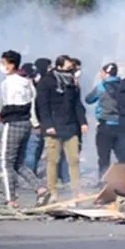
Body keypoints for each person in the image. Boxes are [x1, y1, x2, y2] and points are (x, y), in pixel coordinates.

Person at [0, 50, 45, 207]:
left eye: (4, 63)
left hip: (13, 123)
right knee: (19, 163)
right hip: (26, 123)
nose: (2, 66)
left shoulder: (9, 83)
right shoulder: (26, 81)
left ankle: (11, 199)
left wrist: (0, 116)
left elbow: (11, 106)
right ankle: (41, 188)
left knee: (6, 162)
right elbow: (31, 102)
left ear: (11, 65)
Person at [36, 54, 88, 201]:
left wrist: (83, 122)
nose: (71, 71)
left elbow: (77, 104)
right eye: (68, 68)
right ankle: (53, 192)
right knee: (53, 161)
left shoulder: (72, 83)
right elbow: (42, 106)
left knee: (74, 160)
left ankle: (76, 192)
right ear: (58, 67)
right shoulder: (46, 82)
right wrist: (48, 125)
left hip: (71, 127)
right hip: (53, 128)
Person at [84, 63, 123, 179]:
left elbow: (88, 99)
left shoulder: (100, 87)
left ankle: (103, 180)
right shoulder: (123, 86)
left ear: (106, 73)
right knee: (122, 156)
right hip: (121, 126)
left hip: (105, 126)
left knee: (104, 157)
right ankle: (124, 180)